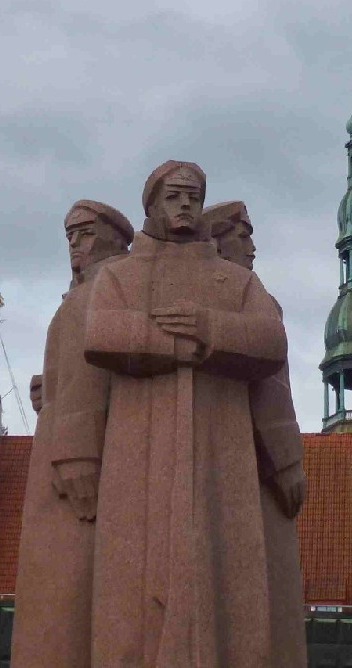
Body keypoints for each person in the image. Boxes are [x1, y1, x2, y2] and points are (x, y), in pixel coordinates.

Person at [82, 161, 292, 667]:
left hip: (223, 454)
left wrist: (208, 329)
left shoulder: (233, 281)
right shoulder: (120, 276)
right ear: (152, 204)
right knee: (133, 593)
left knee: (222, 581)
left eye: (193, 198)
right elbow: (99, 335)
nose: (184, 206)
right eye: (174, 196)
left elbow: (271, 341)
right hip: (138, 450)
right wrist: (182, 347)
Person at [11, 200, 134, 668]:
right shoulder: (81, 294)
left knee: (69, 587)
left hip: (76, 466)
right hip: (59, 454)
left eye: (84, 235)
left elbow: (108, 371)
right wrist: (50, 387)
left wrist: (78, 450)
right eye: (70, 238)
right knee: (54, 585)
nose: (75, 247)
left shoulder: (108, 289)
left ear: (116, 239)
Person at [201, 200, 308, 667]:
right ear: (220, 242)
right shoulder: (254, 301)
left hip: (202, 471)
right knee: (265, 595)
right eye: (243, 235)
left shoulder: (185, 298)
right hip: (253, 471)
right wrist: (288, 463)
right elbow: (272, 395)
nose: (252, 246)